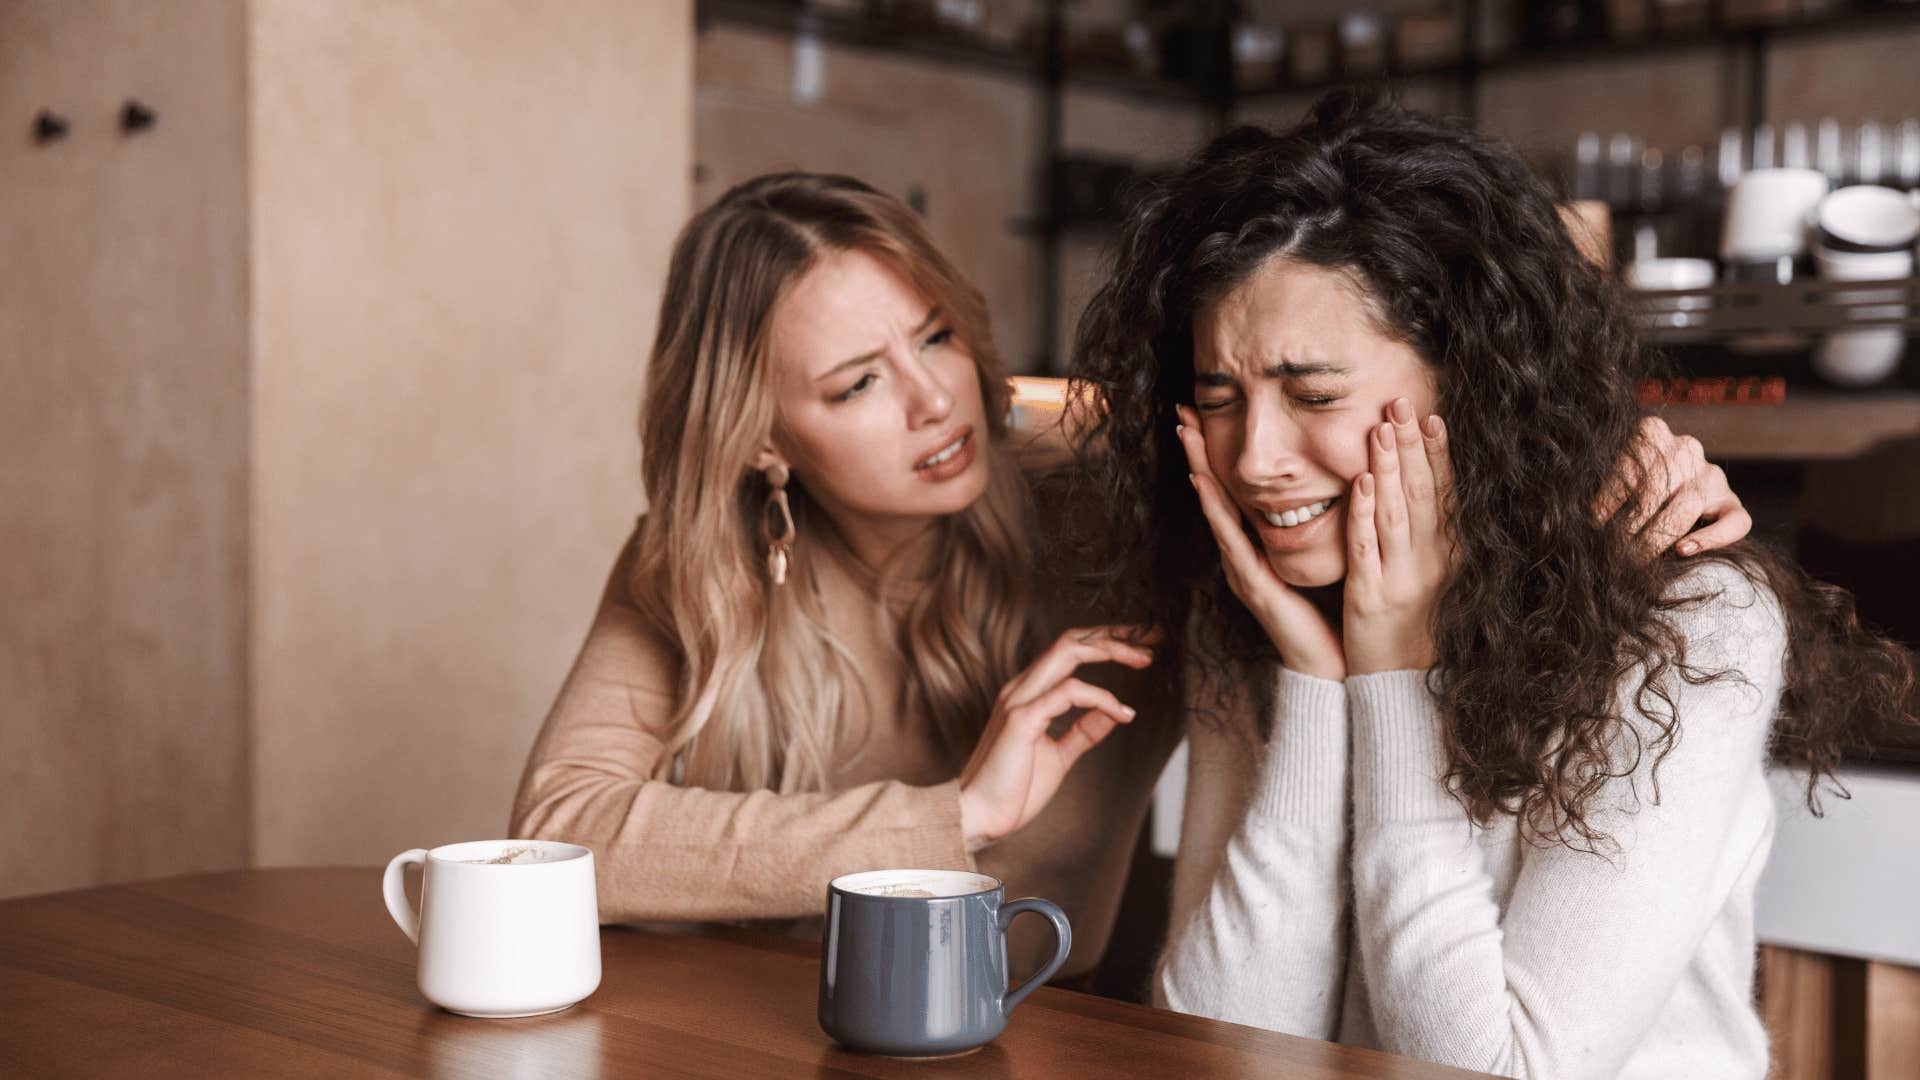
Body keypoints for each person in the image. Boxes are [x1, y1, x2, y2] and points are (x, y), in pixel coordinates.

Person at [512, 168, 1752, 986]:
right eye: (856, 385)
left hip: (1024, 1038)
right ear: (762, 439)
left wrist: (1617, 460)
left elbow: (1324, 420)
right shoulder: (700, 551)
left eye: (936, 334)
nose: (937, 398)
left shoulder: (1115, 505)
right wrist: (956, 818)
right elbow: (558, 836)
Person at [1069, 94, 1913, 1075]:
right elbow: (1225, 1047)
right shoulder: (1254, 613)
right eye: (1219, 399)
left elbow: (1505, 1070)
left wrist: (1392, 680)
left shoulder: (1689, 623)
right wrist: (1315, 681)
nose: (1255, 458)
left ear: (1471, 383)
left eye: (1314, 395)